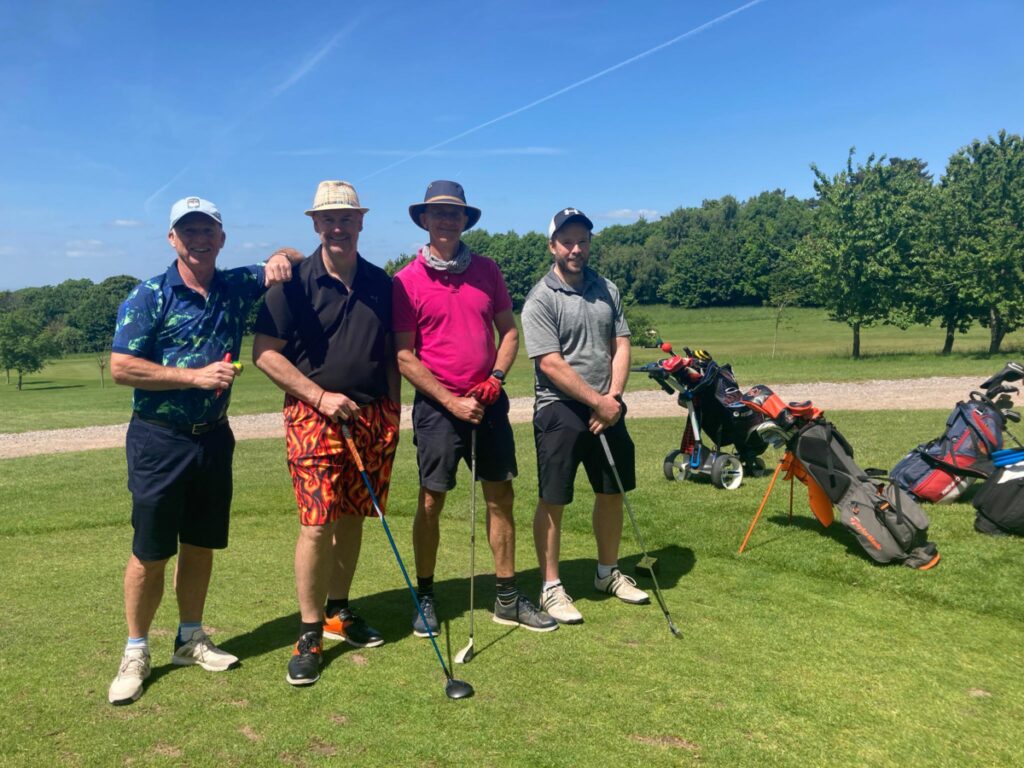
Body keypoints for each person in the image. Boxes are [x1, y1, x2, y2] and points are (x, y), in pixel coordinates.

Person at [108, 196, 302, 705]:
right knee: (150, 552)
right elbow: (122, 367)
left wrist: (283, 253)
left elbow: (291, 258)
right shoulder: (149, 295)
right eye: (187, 231)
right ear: (172, 239)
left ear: (221, 238)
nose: (198, 239)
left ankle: (189, 638)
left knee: (200, 544)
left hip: (213, 436)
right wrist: (192, 376)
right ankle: (135, 650)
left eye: (207, 230)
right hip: (158, 438)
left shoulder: (235, 285)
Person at [253, 181, 401, 687]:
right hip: (313, 414)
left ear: (361, 222)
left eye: (347, 218)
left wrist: (393, 414)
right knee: (317, 523)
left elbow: (391, 354)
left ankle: (339, 612)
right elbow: (266, 354)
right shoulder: (290, 282)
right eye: (329, 219)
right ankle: (310, 632)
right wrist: (318, 397)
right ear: (315, 224)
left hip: (371, 415)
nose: (338, 227)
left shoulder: (383, 282)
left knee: (356, 516)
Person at [392, 180, 556, 636]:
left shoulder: (488, 270)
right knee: (431, 501)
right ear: (424, 220)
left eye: (455, 213)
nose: (446, 220)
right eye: (438, 213)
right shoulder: (405, 282)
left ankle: (506, 595)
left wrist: (496, 378)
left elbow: (508, 332)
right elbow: (404, 355)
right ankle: (425, 596)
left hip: (488, 402)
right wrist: (450, 401)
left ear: (466, 220)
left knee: (500, 496)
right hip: (438, 409)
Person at [521, 207, 650, 625]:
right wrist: (597, 401)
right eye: (568, 241)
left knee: (612, 492)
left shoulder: (606, 289)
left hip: (607, 406)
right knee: (554, 498)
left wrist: (611, 398)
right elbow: (550, 364)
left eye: (583, 241)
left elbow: (622, 343)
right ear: (552, 245)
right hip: (560, 409)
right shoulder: (541, 298)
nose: (576, 249)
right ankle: (552, 587)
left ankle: (607, 572)